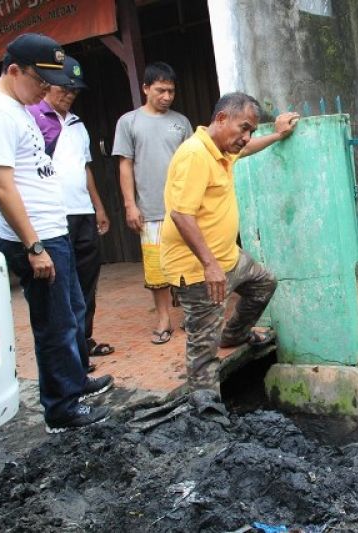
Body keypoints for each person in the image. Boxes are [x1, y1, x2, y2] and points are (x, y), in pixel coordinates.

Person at [0, 33, 113, 433]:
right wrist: (33, 245)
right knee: (54, 324)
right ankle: (61, 409)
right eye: (41, 81)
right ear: (14, 71)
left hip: (53, 230)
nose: (47, 89)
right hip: (35, 239)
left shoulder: (18, 109)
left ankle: (75, 382)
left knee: (72, 312)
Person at [160, 92, 299, 395]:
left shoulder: (221, 149)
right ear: (222, 118)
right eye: (244, 128)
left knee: (264, 285)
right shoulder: (195, 154)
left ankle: (234, 335)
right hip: (199, 269)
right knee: (203, 349)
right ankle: (206, 412)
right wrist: (209, 264)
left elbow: (246, 150)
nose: (247, 137)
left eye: (250, 130)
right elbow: (181, 213)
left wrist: (277, 134)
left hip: (229, 258)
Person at [27, 55, 114, 363]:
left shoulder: (77, 124)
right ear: (47, 86)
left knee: (87, 278)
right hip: (53, 215)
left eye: (74, 91)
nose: (68, 95)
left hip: (82, 211)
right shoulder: (33, 119)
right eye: (63, 89)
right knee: (64, 285)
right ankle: (73, 353)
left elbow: (84, 168)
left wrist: (98, 207)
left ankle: (84, 339)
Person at [112, 61, 192, 345]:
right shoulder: (128, 122)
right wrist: (130, 205)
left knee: (188, 262)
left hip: (182, 207)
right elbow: (125, 166)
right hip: (150, 209)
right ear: (146, 88)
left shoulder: (181, 122)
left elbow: (191, 163)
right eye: (160, 90)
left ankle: (191, 315)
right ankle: (163, 318)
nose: (167, 97)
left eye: (171, 91)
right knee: (156, 267)